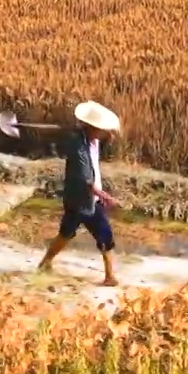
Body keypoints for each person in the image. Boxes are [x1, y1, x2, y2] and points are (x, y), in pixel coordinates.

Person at [36, 100, 122, 286]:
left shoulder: (92, 141)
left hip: (88, 199)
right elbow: (86, 181)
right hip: (81, 200)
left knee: (72, 233)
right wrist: (106, 197)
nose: (104, 133)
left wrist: (109, 136)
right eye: (102, 130)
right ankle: (110, 277)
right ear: (92, 128)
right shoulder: (78, 147)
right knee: (78, 233)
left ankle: (46, 263)